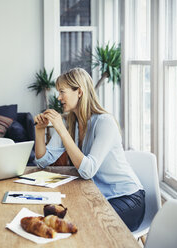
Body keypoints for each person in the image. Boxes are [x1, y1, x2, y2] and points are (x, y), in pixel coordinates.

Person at [34, 68, 145, 232]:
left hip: (128, 199)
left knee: (83, 224)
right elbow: (42, 161)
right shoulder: (71, 123)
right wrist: (40, 130)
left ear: (79, 91)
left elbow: (88, 170)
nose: (59, 97)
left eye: (62, 92)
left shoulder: (104, 122)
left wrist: (62, 131)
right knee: (65, 220)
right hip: (99, 196)